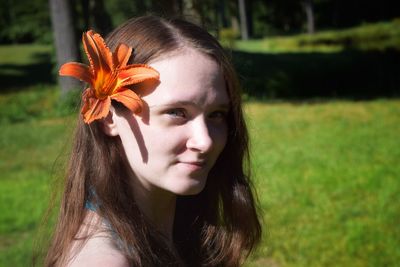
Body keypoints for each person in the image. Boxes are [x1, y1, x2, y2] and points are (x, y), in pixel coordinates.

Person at [45, 15, 261, 267]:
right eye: (176, 112)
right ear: (108, 119)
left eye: (216, 114)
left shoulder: (185, 224)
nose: (205, 141)